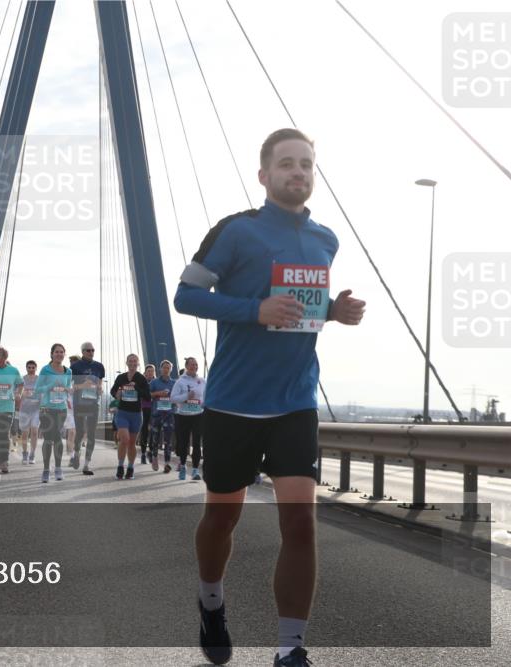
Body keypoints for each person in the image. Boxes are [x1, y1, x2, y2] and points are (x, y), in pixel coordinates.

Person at [174, 128, 365, 666]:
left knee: (301, 523)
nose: (298, 172)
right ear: (264, 175)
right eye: (287, 164)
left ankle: (290, 649)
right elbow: (185, 295)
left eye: (306, 163)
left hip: (295, 403)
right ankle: (211, 601)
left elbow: (304, 305)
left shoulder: (326, 239)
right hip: (233, 403)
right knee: (222, 518)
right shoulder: (235, 232)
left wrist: (334, 311)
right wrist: (251, 310)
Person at [34, 343, 72, 482]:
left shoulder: (68, 371)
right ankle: (46, 470)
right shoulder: (45, 370)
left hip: (61, 409)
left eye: (62, 352)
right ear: (52, 354)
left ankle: (58, 468)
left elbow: (68, 388)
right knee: (49, 438)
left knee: (56, 438)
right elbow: (38, 390)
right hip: (46, 409)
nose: (59, 354)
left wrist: (66, 389)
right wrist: (51, 385)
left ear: (64, 354)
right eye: (56, 352)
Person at [110, 354, 151, 479]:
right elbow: (113, 391)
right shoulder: (121, 377)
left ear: (138, 364)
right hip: (122, 412)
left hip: (136, 414)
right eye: (130, 361)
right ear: (127, 363)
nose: (132, 363)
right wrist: (117, 393)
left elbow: (147, 397)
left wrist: (136, 387)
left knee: (132, 443)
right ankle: (120, 466)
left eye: (135, 361)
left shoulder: (141, 378)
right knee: (124, 440)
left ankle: (130, 468)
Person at [70, 341, 105, 475]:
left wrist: (100, 388)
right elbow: (70, 387)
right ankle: (76, 453)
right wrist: (82, 386)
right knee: (79, 432)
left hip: (93, 404)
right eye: (88, 350)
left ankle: (86, 465)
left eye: (93, 350)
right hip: (79, 403)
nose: (91, 352)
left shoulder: (99, 366)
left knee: (91, 434)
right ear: (83, 352)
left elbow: (100, 382)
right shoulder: (75, 367)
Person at [172, 356, 206, 481]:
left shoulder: (202, 381)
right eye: (192, 364)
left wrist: (203, 405)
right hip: (183, 415)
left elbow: (206, 398)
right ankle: (183, 466)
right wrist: (186, 396)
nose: (194, 367)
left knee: (197, 443)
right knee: (183, 443)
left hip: (198, 415)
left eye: (196, 364)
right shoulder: (180, 381)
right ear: (186, 366)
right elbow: (173, 398)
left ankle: (196, 470)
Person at [148, 360, 177, 473]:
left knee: (168, 440)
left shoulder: (174, 383)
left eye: (168, 368)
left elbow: (177, 398)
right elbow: (148, 395)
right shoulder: (154, 382)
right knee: (155, 439)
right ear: (160, 369)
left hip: (169, 414)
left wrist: (172, 398)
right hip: (156, 414)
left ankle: (167, 463)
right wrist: (158, 393)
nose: (166, 369)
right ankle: (154, 457)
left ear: (171, 370)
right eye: (164, 367)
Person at [18, 360, 41, 464]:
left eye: (33, 367)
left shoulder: (40, 380)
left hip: (36, 409)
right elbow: (17, 393)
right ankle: (25, 453)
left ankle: (32, 454)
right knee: (24, 433)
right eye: (29, 367)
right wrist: (23, 395)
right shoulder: (22, 380)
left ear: (36, 368)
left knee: (35, 431)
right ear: (26, 368)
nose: (31, 369)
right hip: (24, 409)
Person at [137, 364, 156, 464]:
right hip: (144, 408)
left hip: (154, 409)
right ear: (145, 373)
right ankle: (143, 453)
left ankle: (151, 451)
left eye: (152, 371)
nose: (150, 373)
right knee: (144, 431)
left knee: (153, 431)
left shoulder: (157, 382)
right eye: (148, 371)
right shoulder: (141, 382)